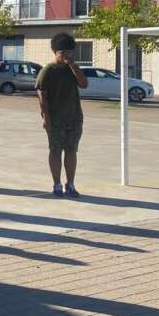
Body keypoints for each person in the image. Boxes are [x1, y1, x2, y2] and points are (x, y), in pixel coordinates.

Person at [37, 32, 89, 198]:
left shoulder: (72, 68)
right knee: (55, 150)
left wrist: (74, 66)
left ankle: (71, 184)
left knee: (72, 150)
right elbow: (41, 96)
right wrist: (46, 118)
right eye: (62, 53)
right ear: (55, 52)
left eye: (69, 52)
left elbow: (84, 84)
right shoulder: (48, 70)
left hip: (74, 118)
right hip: (55, 119)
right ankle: (57, 183)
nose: (66, 55)